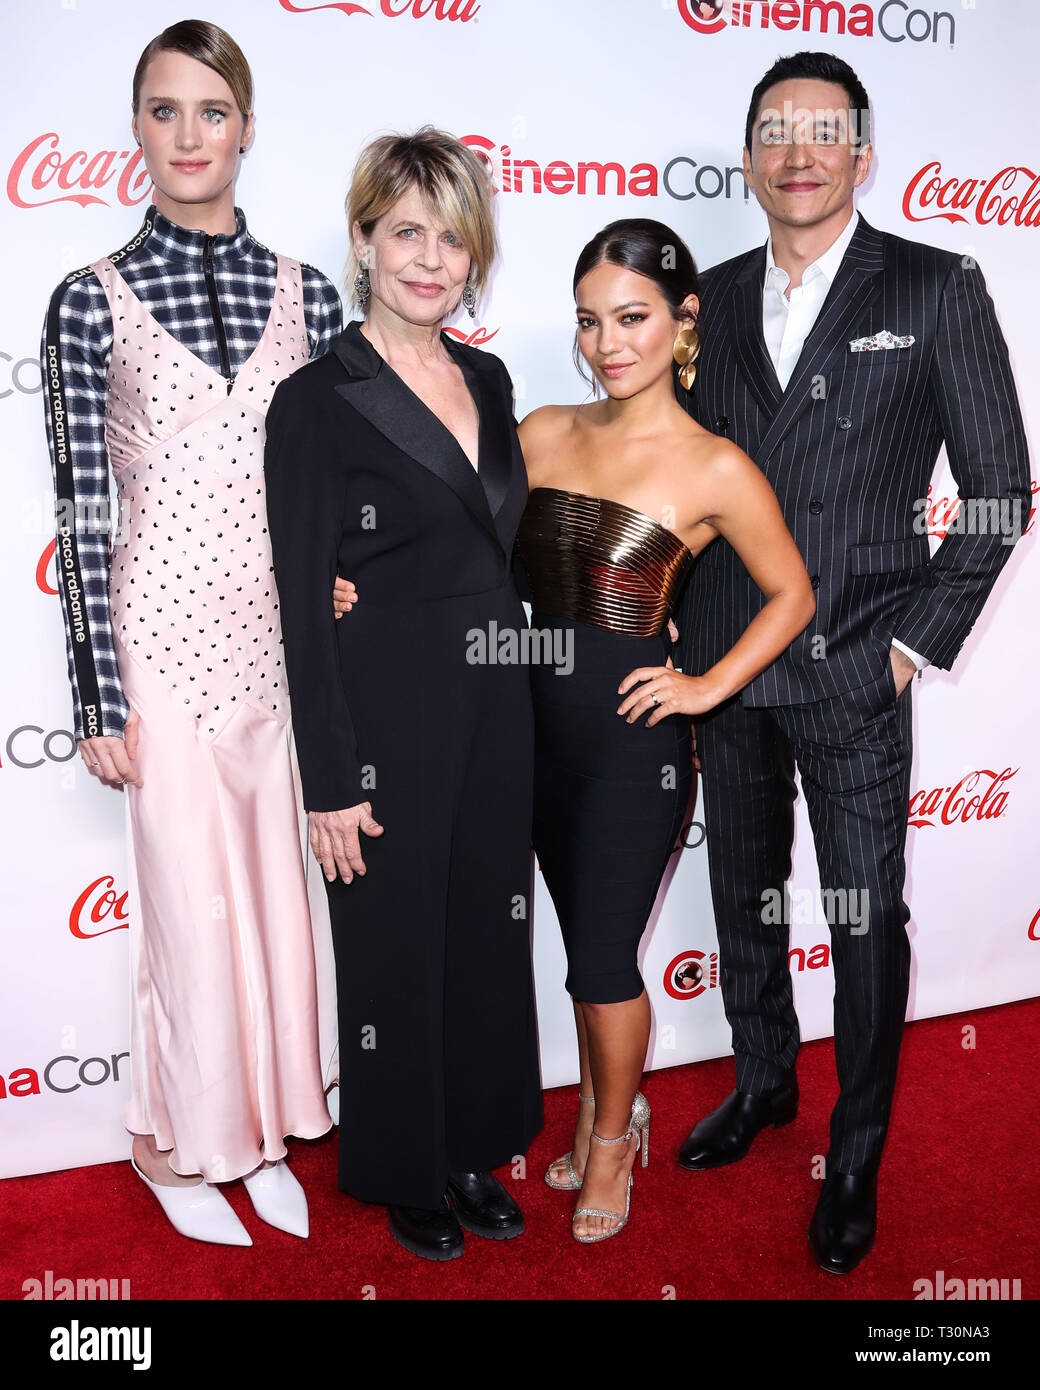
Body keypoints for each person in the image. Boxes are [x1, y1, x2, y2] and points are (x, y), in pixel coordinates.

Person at [673, 50, 1031, 1274]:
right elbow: (659, 479)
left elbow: (996, 495)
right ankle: (763, 1081)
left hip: (850, 665)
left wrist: (908, 645)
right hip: (722, 661)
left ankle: (856, 1147)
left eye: (824, 132)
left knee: (862, 914)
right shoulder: (701, 302)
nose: (798, 152)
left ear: (862, 156)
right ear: (748, 157)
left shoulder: (935, 285)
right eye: (775, 131)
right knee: (741, 894)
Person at [40, 20, 342, 1246]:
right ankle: (174, 1150)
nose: (187, 135)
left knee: (274, 904)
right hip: (155, 646)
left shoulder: (310, 293)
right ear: (137, 129)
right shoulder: (86, 300)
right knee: (185, 914)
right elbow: (80, 502)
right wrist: (96, 693)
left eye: (210, 111)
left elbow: (333, 486)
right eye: (163, 111)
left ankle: (260, 1129)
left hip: (276, 652)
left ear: (247, 126)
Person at [264, 127, 543, 1263]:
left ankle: (472, 1141)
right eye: (405, 232)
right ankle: (403, 1162)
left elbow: (503, 544)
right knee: (393, 942)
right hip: (384, 707)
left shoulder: (487, 374)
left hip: (496, 699)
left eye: (451, 236)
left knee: (484, 928)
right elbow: (297, 599)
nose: (429, 258)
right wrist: (328, 780)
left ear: (475, 253)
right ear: (364, 240)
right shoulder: (316, 399)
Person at [512, 220, 815, 1242]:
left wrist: (702, 686)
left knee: (602, 960)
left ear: (683, 322)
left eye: (631, 317)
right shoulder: (541, 429)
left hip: (627, 754)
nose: (607, 342)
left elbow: (789, 596)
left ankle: (609, 1142)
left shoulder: (714, 465)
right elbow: (458, 555)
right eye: (590, 320)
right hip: (527, 735)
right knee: (573, 956)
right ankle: (616, 1102)